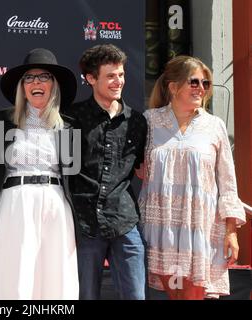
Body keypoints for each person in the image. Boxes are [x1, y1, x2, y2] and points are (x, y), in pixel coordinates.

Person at [138, 55, 246, 299]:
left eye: (205, 83)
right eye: (194, 82)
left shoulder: (214, 125)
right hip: (159, 229)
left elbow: (228, 184)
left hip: (200, 230)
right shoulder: (150, 121)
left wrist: (231, 232)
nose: (201, 88)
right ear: (173, 87)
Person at [0, 48, 80, 299]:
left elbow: (74, 174)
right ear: (21, 86)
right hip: (15, 202)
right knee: (16, 273)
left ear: (54, 85)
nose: (36, 82)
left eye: (44, 77)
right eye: (29, 78)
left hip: (56, 202)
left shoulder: (71, 127)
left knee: (56, 275)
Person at [63, 44, 147, 300]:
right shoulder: (72, 118)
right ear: (91, 78)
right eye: (110, 75)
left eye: (121, 75)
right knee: (85, 296)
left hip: (124, 222)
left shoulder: (137, 121)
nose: (118, 81)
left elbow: (141, 167)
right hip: (85, 223)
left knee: (135, 295)